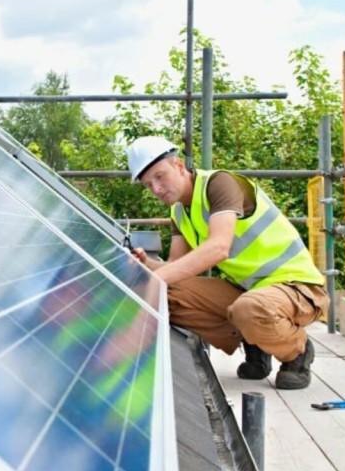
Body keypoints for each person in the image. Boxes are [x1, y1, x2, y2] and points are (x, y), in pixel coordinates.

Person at [125, 136, 330, 389]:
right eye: (148, 185)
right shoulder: (179, 212)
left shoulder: (219, 184)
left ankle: (297, 353)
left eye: (160, 176)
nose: (156, 189)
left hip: (295, 286)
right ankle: (255, 341)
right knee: (166, 297)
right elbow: (175, 266)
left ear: (178, 165)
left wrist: (158, 279)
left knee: (250, 309)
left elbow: (219, 247)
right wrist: (147, 266)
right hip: (249, 291)